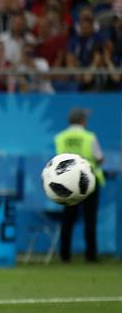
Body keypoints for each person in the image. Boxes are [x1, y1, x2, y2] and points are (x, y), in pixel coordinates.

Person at [54, 109, 105, 263]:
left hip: (67, 182)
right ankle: (90, 256)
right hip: (88, 181)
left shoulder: (60, 137)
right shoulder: (89, 137)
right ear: (83, 120)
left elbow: (58, 160)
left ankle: (64, 256)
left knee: (67, 219)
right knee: (90, 219)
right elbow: (99, 158)